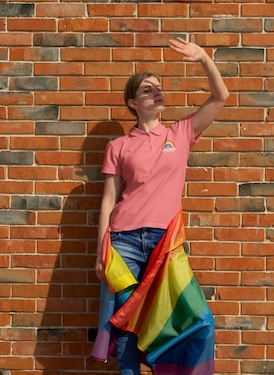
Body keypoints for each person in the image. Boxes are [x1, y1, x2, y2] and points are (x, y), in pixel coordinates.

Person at [93, 37, 229, 375]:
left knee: (198, 320)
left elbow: (220, 96)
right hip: (123, 242)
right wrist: (101, 249)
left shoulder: (180, 133)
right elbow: (109, 198)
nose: (157, 93)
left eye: (159, 88)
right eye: (147, 90)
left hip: (166, 243)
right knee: (127, 322)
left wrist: (203, 58)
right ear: (133, 103)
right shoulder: (118, 146)